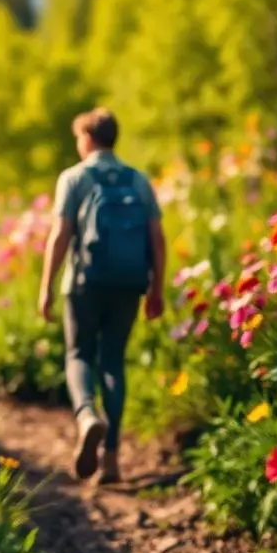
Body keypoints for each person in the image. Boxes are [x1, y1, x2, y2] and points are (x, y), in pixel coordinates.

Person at [38, 107, 165, 484]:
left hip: (84, 283)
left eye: (79, 137)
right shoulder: (138, 180)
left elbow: (60, 236)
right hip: (128, 283)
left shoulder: (74, 178)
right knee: (113, 361)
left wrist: (45, 286)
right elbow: (157, 239)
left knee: (79, 354)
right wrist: (156, 288)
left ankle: (86, 415)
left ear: (88, 138)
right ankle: (110, 458)